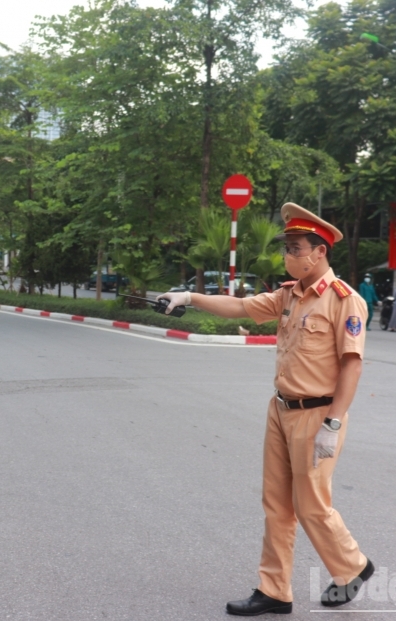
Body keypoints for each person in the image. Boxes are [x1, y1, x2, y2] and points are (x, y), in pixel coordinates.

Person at [158, 203, 374, 615]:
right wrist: (188, 296)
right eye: (287, 249)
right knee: (276, 504)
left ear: (319, 252)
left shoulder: (343, 301)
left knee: (311, 504)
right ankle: (274, 590)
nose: (287, 256)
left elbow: (352, 365)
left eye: (295, 248)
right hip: (280, 410)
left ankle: (353, 566)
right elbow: (239, 307)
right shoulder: (287, 295)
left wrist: (333, 422)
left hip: (317, 415)